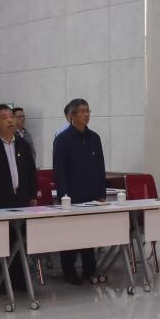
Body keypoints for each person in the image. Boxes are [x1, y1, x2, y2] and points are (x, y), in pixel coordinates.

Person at [0, 105, 38, 291]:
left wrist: (33, 195)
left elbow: (31, 172)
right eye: (4, 117)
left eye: (11, 116)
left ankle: (20, 280)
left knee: (20, 241)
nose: (10, 120)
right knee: (2, 242)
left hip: (21, 200)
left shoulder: (23, 144)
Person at [53, 99, 106, 284]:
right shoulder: (63, 139)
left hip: (91, 194)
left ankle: (90, 270)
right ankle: (69, 271)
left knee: (89, 234)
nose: (86, 114)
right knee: (70, 235)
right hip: (72, 196)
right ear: (72, 115)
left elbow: (100, 167)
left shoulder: (94, 138)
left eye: (88, 111)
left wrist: (101, 192)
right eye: (82, 111)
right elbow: (59, 170)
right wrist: (64, 196)